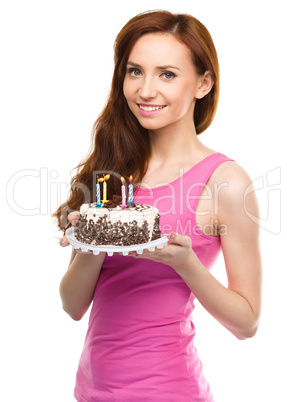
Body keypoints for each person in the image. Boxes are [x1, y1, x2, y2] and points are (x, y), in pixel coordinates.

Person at [54, 10, 262, 401]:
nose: (146, 90)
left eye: (167, 74)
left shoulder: (226, 182)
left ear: (203, 83)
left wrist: (184, 263)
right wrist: (88, 242)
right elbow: (72, 305)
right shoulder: (111, 172)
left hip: (169, 390)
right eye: (135, 71)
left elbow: (247, 323)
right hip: (90, 390)